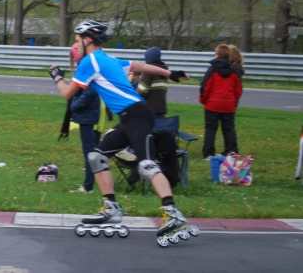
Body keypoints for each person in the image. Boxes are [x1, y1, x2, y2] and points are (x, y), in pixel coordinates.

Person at [48, 20, 194, 241]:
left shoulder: (90, 62)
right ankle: (111, 208)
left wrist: (57, 77)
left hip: (136, 115)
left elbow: (68, 93)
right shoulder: (111, 60)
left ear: (88, 40)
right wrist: (170, 72)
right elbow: (142, 67)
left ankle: (172, 213)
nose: (75, 46)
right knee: (97, 157)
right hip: (128, 117)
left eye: (77, 41)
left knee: (146, 164)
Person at [67, 42, 102, 193]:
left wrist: (74, 106)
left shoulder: (86, 67)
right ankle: (94, 183)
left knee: (90, 152)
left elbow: (89, 93)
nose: (74, 60)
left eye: (75, 57)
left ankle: (88, 186)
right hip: (90, 113)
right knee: (93, 151)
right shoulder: (87, 66)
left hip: (88, 115)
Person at [200, 44, 243, 160]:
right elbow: (238, 90)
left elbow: (205, 87)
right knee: (229, 129)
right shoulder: (234, 71)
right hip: (228, 105)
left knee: (210, 129)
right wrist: (233, 101)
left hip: (212, 104)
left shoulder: (212, 70)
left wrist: (203, 100)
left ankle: (209, 153)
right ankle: (231, 152)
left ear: (217, 55)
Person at [137, 46, 169, 119]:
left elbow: (142, 91)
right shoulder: (164, 71)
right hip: (161, 107)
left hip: (149, 107)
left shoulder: (148, 71)